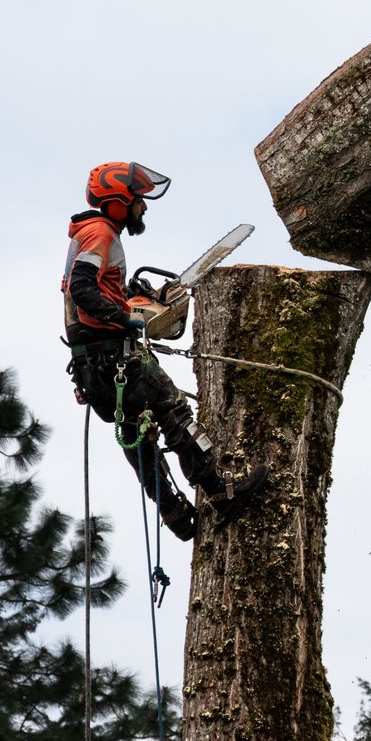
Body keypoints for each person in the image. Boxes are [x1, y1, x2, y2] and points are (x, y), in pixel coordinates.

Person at [61, 161, 263, 541]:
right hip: (114, 360)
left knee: (136, 430)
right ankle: (220, 490)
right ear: (119, 202)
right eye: (139, 200)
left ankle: (174, 513)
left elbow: (90, 292)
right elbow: (81, 289)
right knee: (173, 410)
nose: (144, 207)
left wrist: (133, 301)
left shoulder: (87, 235)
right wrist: (123, 317)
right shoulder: (100, 233)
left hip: (92, 367)